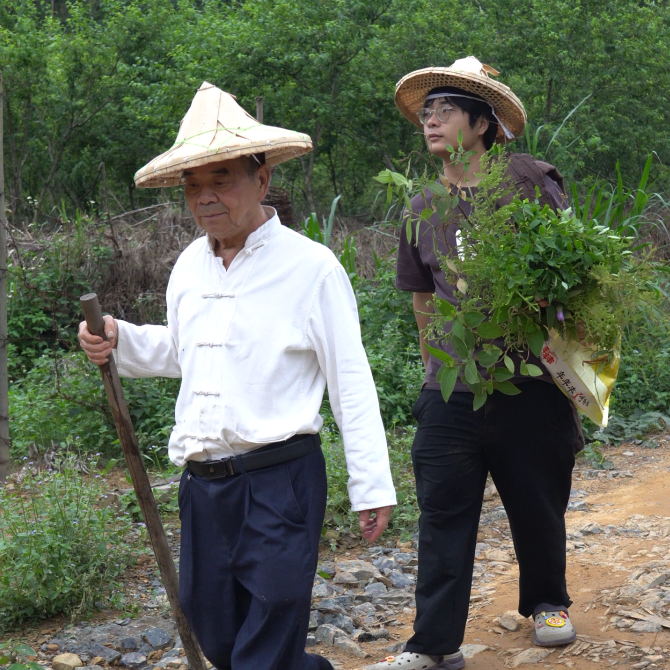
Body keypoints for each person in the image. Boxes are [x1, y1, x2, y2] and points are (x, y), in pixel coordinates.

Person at [78, 82, 397, 670]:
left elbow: (350, 380)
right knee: (215, 629)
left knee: (270, 628)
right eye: (193, 184)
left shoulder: (310, 268)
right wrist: (122, 340)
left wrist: (371, 486)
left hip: (279, 481)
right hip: (204, 489)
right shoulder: (189, 267)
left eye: (221, 178)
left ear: (262, 179)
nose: (205, 197)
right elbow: (185, 352)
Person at [365, 57, 584, 670]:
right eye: (427, 112)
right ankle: (434, 644)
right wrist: (437, 367)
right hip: (454, 385)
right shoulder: (422, 205)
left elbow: (570, 273)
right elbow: (423, 299)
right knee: (441, 511)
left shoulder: (528, 179)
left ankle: (548, 603)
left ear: (483, 123)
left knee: (537, 498)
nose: (431, 121)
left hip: (528, 379)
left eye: (446, 109)